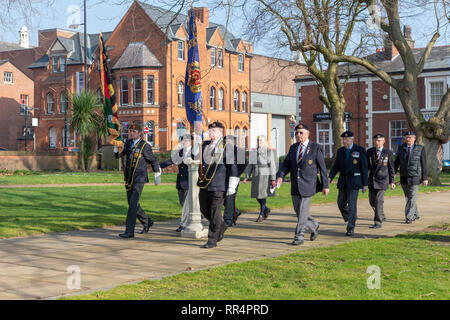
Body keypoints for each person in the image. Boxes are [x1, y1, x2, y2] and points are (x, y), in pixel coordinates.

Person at [276, 123, 329, 245]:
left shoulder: (315, 147)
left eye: (301, 132)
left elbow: (323, 168)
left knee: (303, 209)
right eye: (296, 133)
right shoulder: (293, 148)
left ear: (308, 134)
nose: (298, 135)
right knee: (298, 210)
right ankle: (314, 225)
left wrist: (325, 185)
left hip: (309, 184)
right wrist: (280, 176)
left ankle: (299, 236)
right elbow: (286, 165)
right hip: (295, 184)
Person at [115, 122, 161, 238]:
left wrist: (157, 174)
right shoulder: (128, 143)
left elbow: (153, 160)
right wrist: (116, 148)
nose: (131, 133)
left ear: (140, 133)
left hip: (139, 178)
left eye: (133, 131)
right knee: (132, 203)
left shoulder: (145, 146)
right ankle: (147, 221)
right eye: (130, 131)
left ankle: (129, 231)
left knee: (133, 204)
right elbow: (119, 155)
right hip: (129, 177)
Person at [197, 122, 239, 248]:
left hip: (219, 184)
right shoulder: (205, 145)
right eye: (210, 131)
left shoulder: (226, 147)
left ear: (221, 132)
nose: (211, 133)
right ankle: (221, 225)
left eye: (214, 131)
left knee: (215, 212)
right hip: (205, 184)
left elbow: (233, 166)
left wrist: (232, 185)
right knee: (204, 208)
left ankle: (212, 239)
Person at [329, 131, 368, 236]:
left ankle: (350, 227)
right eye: (343, 139)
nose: (344, 141)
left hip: (354, 182)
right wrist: (330, 178)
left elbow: (364, 168)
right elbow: (335, 166)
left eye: (346, 139)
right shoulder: (340, 151)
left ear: (352, 139)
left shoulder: (359, 150)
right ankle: (351, 217)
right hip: (343, 181)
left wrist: (365, 184)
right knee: (340, 203)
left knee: (352, 205)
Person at [159, 134, 193, 232]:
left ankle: (184, 224)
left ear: (191, 142)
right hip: (181, 181)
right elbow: (171, 161)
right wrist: (158, 166)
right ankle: (192, 218)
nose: (184, 143)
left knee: (186, 204)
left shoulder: (195, 152)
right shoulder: (181, 152)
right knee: (182, 202)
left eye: (186, 141)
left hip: (189, 181)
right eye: (183, 141)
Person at [394, 131, 428, 224]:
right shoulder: (401, 148)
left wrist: (425, 178)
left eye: (410, 137)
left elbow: (424, 163)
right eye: (407, 137)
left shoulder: (420, 148)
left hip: (415, 176)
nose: (408, 139)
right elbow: (396, 162)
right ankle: (415, 214)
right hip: (404, 176)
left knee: (412, 197)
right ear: (404, 138)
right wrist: (393, 173)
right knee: (408, 197)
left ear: (414, 138)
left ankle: (409, 216)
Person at [243, 135, 277, 223]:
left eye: (261, 141)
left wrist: (273, 178)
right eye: (258, 141)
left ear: (265, 141)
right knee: (257, 195)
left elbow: (272, 165)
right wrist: (246, 176)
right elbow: (250, 165)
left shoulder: (268, 151)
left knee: (262, 195)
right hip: (256, 175)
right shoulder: (254, 152)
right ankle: (266, 209)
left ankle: (261, 214)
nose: (259, 142)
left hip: (265, 175)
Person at [367, 133, 396, 229]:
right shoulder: (370, 151)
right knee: (372, 201)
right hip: (372, 180)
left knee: (379, 201)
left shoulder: (388, 152)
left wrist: (392, 181)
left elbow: (391, 167)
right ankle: (381, 215)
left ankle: (378, 222)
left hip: (383, 180)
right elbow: (366, 167)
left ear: (384, 141)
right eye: (375, 140)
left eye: (379, 140)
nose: (377, 142)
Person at [223, 134, 247, 227]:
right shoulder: (221, 151)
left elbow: (243, 165)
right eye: (225, 141)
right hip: (222, 178)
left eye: (228, 141)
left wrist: (237, 174)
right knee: (222, 198)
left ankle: (228, 219)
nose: (226, 143)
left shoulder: (239, 151)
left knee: (229, 198)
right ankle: (235, 211)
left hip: (233, 179)